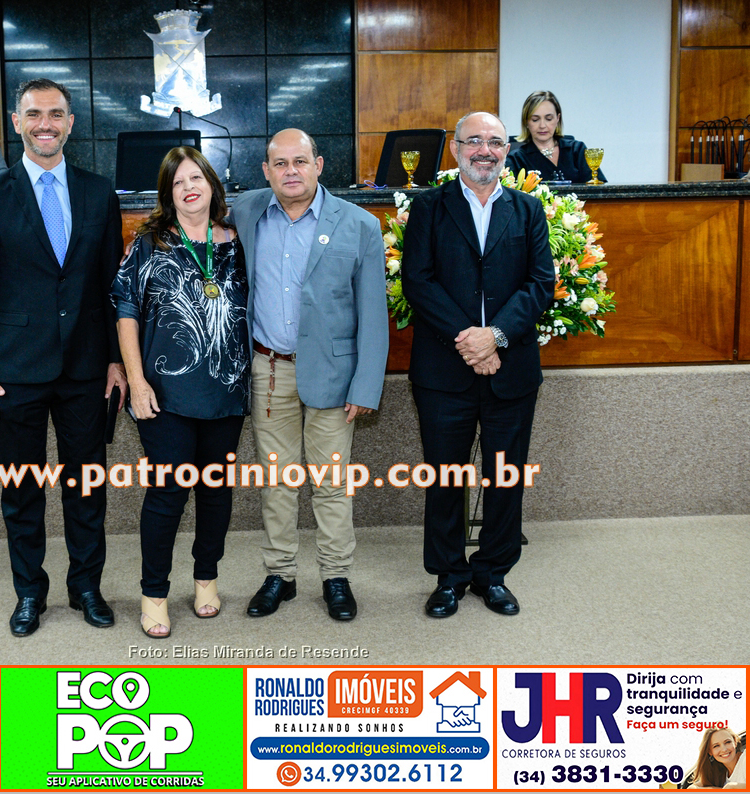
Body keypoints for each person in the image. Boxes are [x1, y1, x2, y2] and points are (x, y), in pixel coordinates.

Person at [0, 78, 126, 637]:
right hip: (14, 370)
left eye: (56, 114)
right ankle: (29, 592)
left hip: (86, 367)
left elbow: (110, 286)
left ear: (71, 123)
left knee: (87, 487)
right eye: (34, 114)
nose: (45, 124)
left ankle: (87, 587)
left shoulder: (99, 193)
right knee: (22, 490)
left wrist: (115, 360)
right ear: (17, 122)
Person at [231, 128, 389, 622]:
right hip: (269, 371)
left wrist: (366, 385)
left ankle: (336, 576)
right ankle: (280, 574)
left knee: (330, 482)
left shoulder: (359, 224)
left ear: (319, 165)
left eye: (300, 161)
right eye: (280, 163)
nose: (291, 171)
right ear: (265, 171)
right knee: (276, 481)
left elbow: (374, 314)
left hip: (335, 376)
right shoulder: (246, 212)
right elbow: (186, 212)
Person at [402, 111, 554, 618]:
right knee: (446, 477)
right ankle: (449, 576)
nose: (484, 150)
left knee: (505, 476)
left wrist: (496, 337)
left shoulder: (528, 209)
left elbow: (540, 283)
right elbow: (418, 280)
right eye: (474, 141)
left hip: (512, 368)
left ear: (506, 151)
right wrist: (470, 340)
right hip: (443, 370)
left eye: (494, 142)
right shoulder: (429, 207)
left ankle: (493, 574)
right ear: (455, 149)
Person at [111, 147, 249, 639]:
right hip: (163, 394)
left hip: (226, 391)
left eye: (196, 178)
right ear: (167, 194)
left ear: (212, 183)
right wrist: (136, 381)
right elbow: (125, 311)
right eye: (177, 182)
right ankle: (154, 593)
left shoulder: (239, 241)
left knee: (215, 492)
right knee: (167, 495)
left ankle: (206, 578)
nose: (189, 188)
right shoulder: (149, 243)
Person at [505, 90, 607, 183]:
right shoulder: (516, 159)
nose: (542, 126)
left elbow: (599, 189)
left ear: (557, 119)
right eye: (535, 120)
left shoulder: (577, 150)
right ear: (526, 122)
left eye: (549, 119)